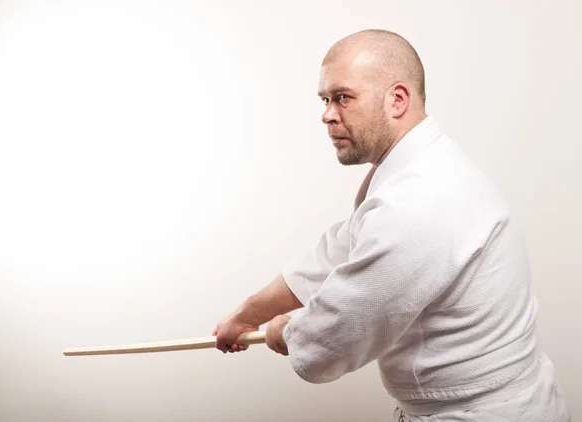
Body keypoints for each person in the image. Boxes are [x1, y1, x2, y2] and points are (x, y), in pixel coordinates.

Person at [212, 29, 571, 421]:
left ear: (397, 99)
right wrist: (249, 313)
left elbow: (335, 337)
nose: (327, 114)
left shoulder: (422, 199)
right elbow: (339, 251)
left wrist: (285, 333)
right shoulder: (416, 169)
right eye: (325, 99)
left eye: (342, 97)